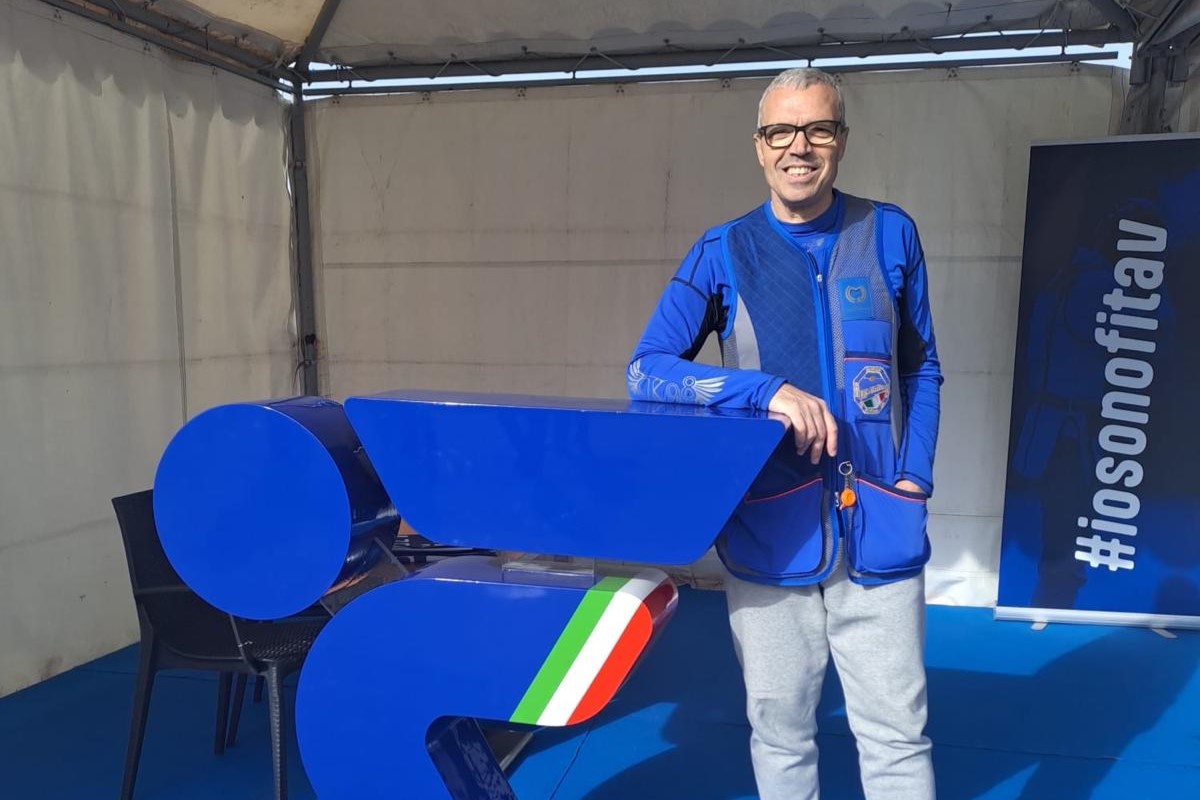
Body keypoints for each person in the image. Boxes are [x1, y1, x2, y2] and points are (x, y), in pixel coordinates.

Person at [626, 68, 942, 800]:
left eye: (818, 129)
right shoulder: (722, 251)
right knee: (780, 733)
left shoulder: (890, 233)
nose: (799, 147)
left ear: (841, 141)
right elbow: (646, 370)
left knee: (897, 736)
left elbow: (922, 366)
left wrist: (914, 478)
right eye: (781, 132)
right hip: (769, 530)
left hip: (880, 523)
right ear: (759, 146)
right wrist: (763, 391)